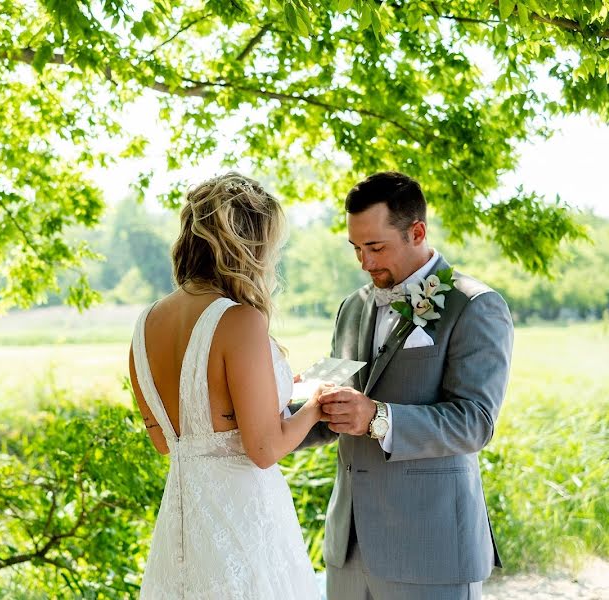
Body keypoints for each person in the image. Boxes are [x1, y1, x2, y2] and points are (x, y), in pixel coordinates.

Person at [293, 171, 514, 600]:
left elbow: (475, 422)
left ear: (417, 232)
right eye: (356, 248)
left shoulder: (475, 305)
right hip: (350, 546)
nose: (365, 262)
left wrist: (376, 416)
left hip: (432, 548)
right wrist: (276, 408)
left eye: (376, 247)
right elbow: (336, 409)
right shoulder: (352, 308)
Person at [128, 172, 323, 599]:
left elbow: (167, 441)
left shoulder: (145, 324)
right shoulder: (239, 320)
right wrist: (315, 406)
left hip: (181, 522)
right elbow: (264, 449)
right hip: (243, 522)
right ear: (248, 246)